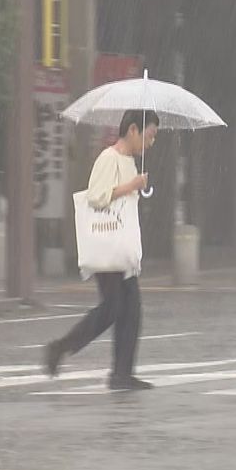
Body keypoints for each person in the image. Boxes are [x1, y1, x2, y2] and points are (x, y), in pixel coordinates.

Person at [44, 110, 158, 390]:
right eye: (150, 135)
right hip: (108, 245)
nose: (151, 142)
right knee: (114, 307)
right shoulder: (108, 158)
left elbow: (123, 200)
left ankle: (121, 374)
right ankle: (61, 347)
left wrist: (136, 188)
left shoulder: (129, 161)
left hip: (121, 248)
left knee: (131, 310)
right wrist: (131, 185)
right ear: (133, 130)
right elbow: (96, 196)